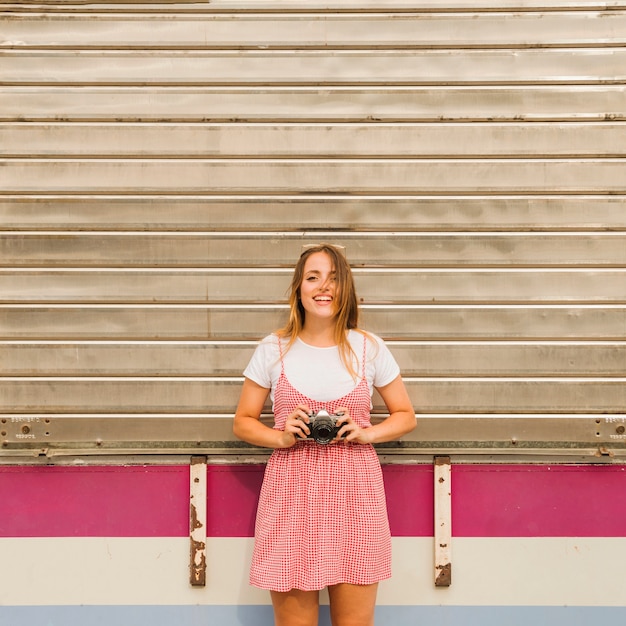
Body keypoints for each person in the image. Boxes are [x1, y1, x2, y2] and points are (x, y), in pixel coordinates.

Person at [233, 243, 416, 626]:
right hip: (291, 495)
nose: (323, 287)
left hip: (355, 495)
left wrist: (366, 433)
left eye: (333, 277)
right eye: (312, 277)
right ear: (298, 289)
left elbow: (405, 415)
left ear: (345, 287)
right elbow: (243, 421)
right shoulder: (273, 349)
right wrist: (282, 436)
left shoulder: (367, 348)